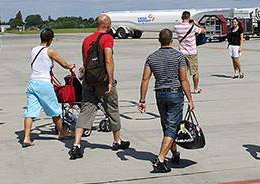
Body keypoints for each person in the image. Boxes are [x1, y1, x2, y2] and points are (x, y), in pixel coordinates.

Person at [70, 14, 129, 159]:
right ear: (108, 25)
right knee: (112, 109)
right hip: (102, 81)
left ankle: (76, 144)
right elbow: (108, 60)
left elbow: (85, 62)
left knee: (85, 111)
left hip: (89, 82)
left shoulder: (86, 40)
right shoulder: (107, 38)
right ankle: (117, 141)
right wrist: (110, 81)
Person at [138, 28, 196, 173]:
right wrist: (190, 99)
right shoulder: (179, 57)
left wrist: (142, 100)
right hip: (175, 94)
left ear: (159, 41)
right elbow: (183, 79)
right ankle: (161, 159)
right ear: (172, 40)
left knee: (168, 126)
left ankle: (175, 154)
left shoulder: (151, 58)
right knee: (172, 126)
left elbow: (145, 79)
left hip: (160, 94)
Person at [22, 28, 76, 147]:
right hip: (44, 84)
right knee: (54, 109)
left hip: (32, 83)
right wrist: (70, 66)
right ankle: (62, 132)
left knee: (30, 111)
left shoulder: (33, 50)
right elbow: (63, 64)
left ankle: (26, 137)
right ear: (50, 40)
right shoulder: (50, 51)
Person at [174, 11, 205, 94]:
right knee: (195, 72)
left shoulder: (176, 27)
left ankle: (183, 89)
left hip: (181, 53)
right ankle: (195, 88)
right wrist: (196, 24)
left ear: (182, 18)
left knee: (182, 73)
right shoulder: (192, 27)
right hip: (192, 52)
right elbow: (203, 31)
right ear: (189, 18)